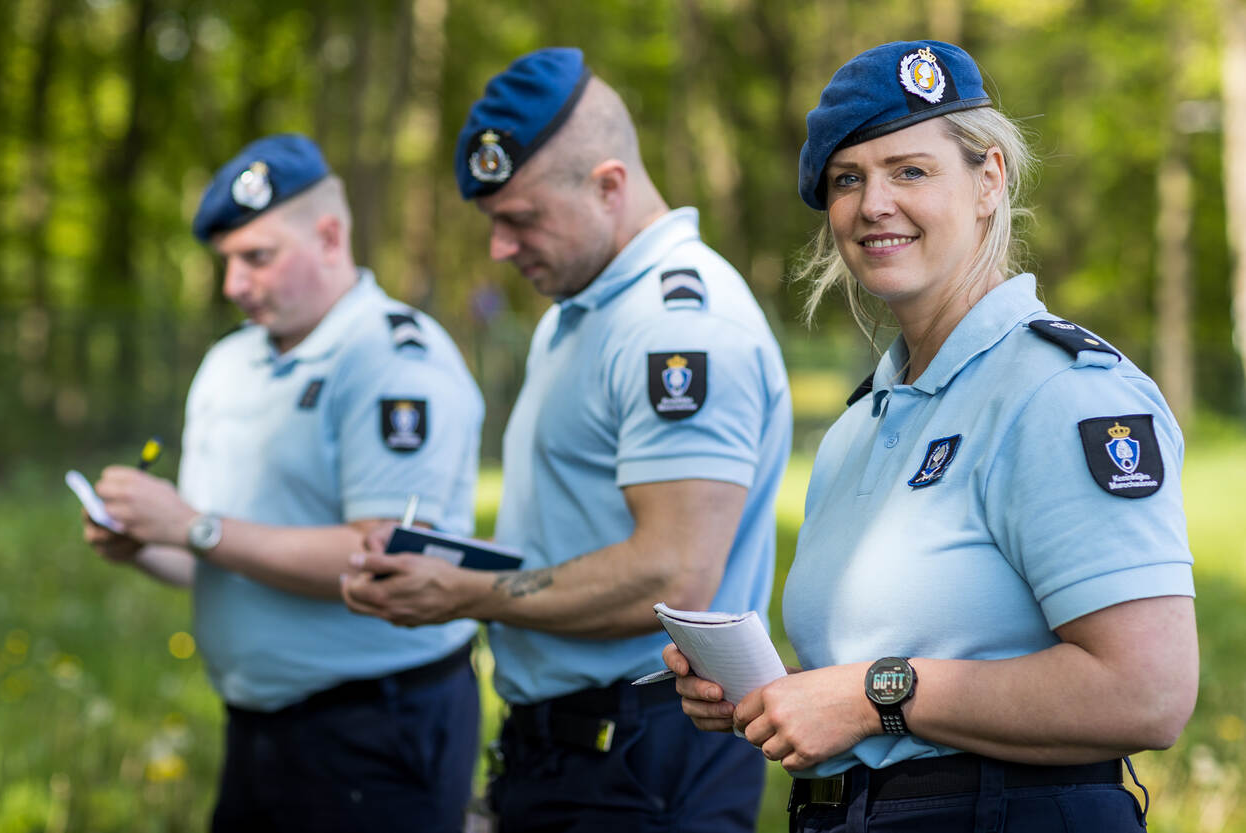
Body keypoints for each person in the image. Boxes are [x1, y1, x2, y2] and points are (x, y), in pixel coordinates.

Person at [664, 40, 1198, 833]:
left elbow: (1147, 693)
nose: (874, 203)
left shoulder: (1063, 392)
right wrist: (776, 693)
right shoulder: (859, 424)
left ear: (990, 182)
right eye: (849, 180)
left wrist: (872, 695)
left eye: (910, 171)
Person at [341, 48, 792, 833]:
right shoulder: (581, 313)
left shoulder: (677, 324)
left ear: (608, 185)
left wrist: (464, 594)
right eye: (493, 222)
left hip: (645, 756)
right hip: (575, 753)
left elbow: (674, 572)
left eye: (520, 218)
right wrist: (447, 558)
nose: (500, 248)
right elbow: (582, 532)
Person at [81, 134, 485, 833]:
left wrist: (193, 527)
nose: (234, 283)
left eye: (256, 257)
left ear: (329, 235)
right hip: (257, 731)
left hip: (376, 727)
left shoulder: (393, 359)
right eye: (227, 261)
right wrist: (143, 539)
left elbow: (383, 560)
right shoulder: (228, 362)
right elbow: (211, 551)